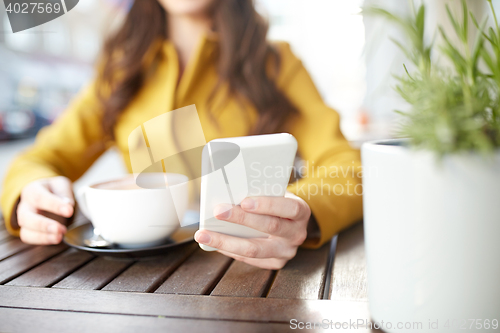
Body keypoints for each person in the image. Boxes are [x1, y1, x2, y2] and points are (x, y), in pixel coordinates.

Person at [0, 0, 363, 270]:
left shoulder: (277, 64)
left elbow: (348, 168)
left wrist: (303, 213)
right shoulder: (119, 73)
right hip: (133, 282)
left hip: (253, 276)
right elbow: (39, 159)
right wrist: (30, 192)